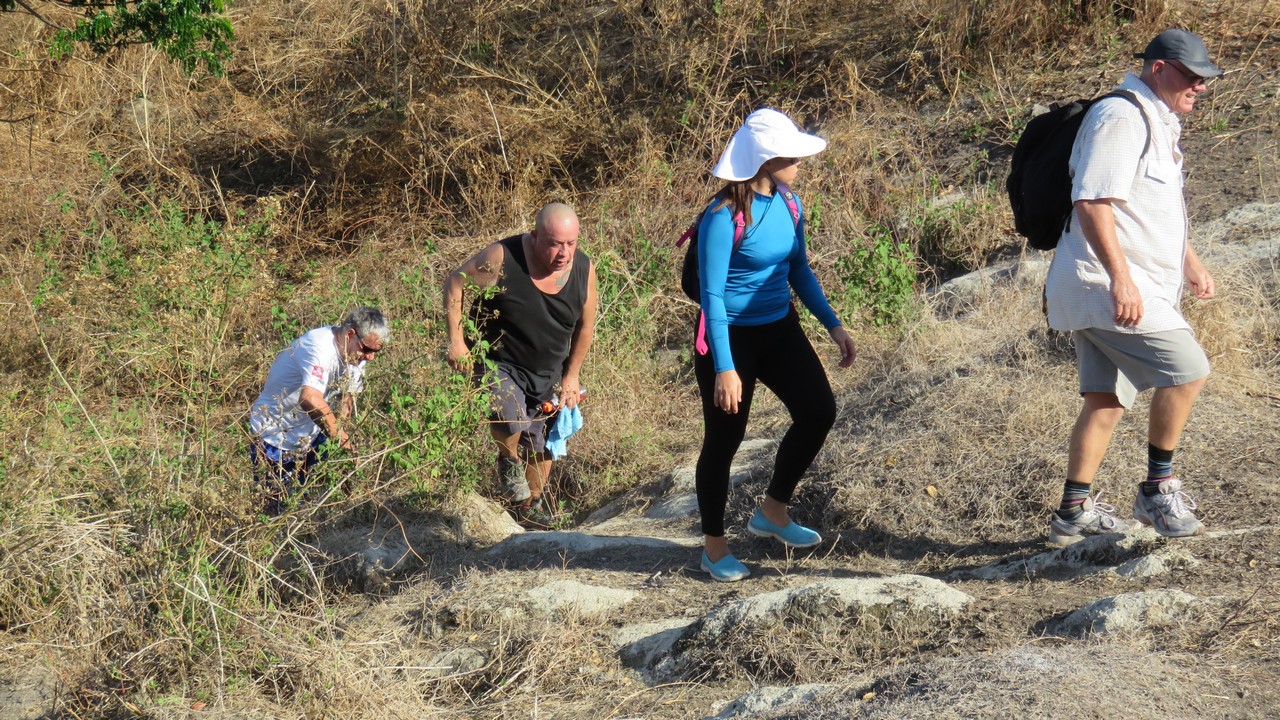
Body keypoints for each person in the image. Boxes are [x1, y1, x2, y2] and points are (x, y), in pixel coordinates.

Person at [1045, 28, 1220, 546]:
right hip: (1103, 286)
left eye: (1205, 78)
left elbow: (1145, 209)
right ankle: (1157, 489)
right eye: (1192, 76)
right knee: (1189, 370)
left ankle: (1072, 515)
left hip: (1121, 285)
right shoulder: (1120, 117)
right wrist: (1121, 280)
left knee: (1105, 402)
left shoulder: (1156, 119)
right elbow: (1092, 202)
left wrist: (1189, 262)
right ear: (1159, 68)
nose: (1200, 87)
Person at [693, 108, 857, 582]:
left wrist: (833, 325)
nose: (800, 163)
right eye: (792, 156)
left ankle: (773, 511)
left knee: (818, 411)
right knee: (725, 440)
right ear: (765, 160)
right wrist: (725, 368)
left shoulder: (790, 204)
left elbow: (798, 269)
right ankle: (714, 548)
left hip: (778, 327)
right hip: (730, 336)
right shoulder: (722, 217)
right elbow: (712, 296)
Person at [443, 202, 598, 525]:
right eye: (555, 244)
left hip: (549, 370)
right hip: (498, 361)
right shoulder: (503, 258)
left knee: (543, 442)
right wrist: (457, 341)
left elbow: (586, 327)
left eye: (570, 243)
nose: (564, 253)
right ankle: (509, 461)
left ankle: (531, 508)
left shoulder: (584, 269)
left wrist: (572, 376)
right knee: (509, 415)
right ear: (535, 236)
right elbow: (455, 282)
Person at [249, 306, 389, 514]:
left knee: (311, 501)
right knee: (276, 509)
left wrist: (341, 434)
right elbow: (309, 398)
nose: (370, 358)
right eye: (368, 350)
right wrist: (342, 440)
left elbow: (346, 396)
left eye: (376, 352)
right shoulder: (318, 347)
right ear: (350, 334)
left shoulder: (356, 352)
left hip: (312, 433)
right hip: (275, 436)